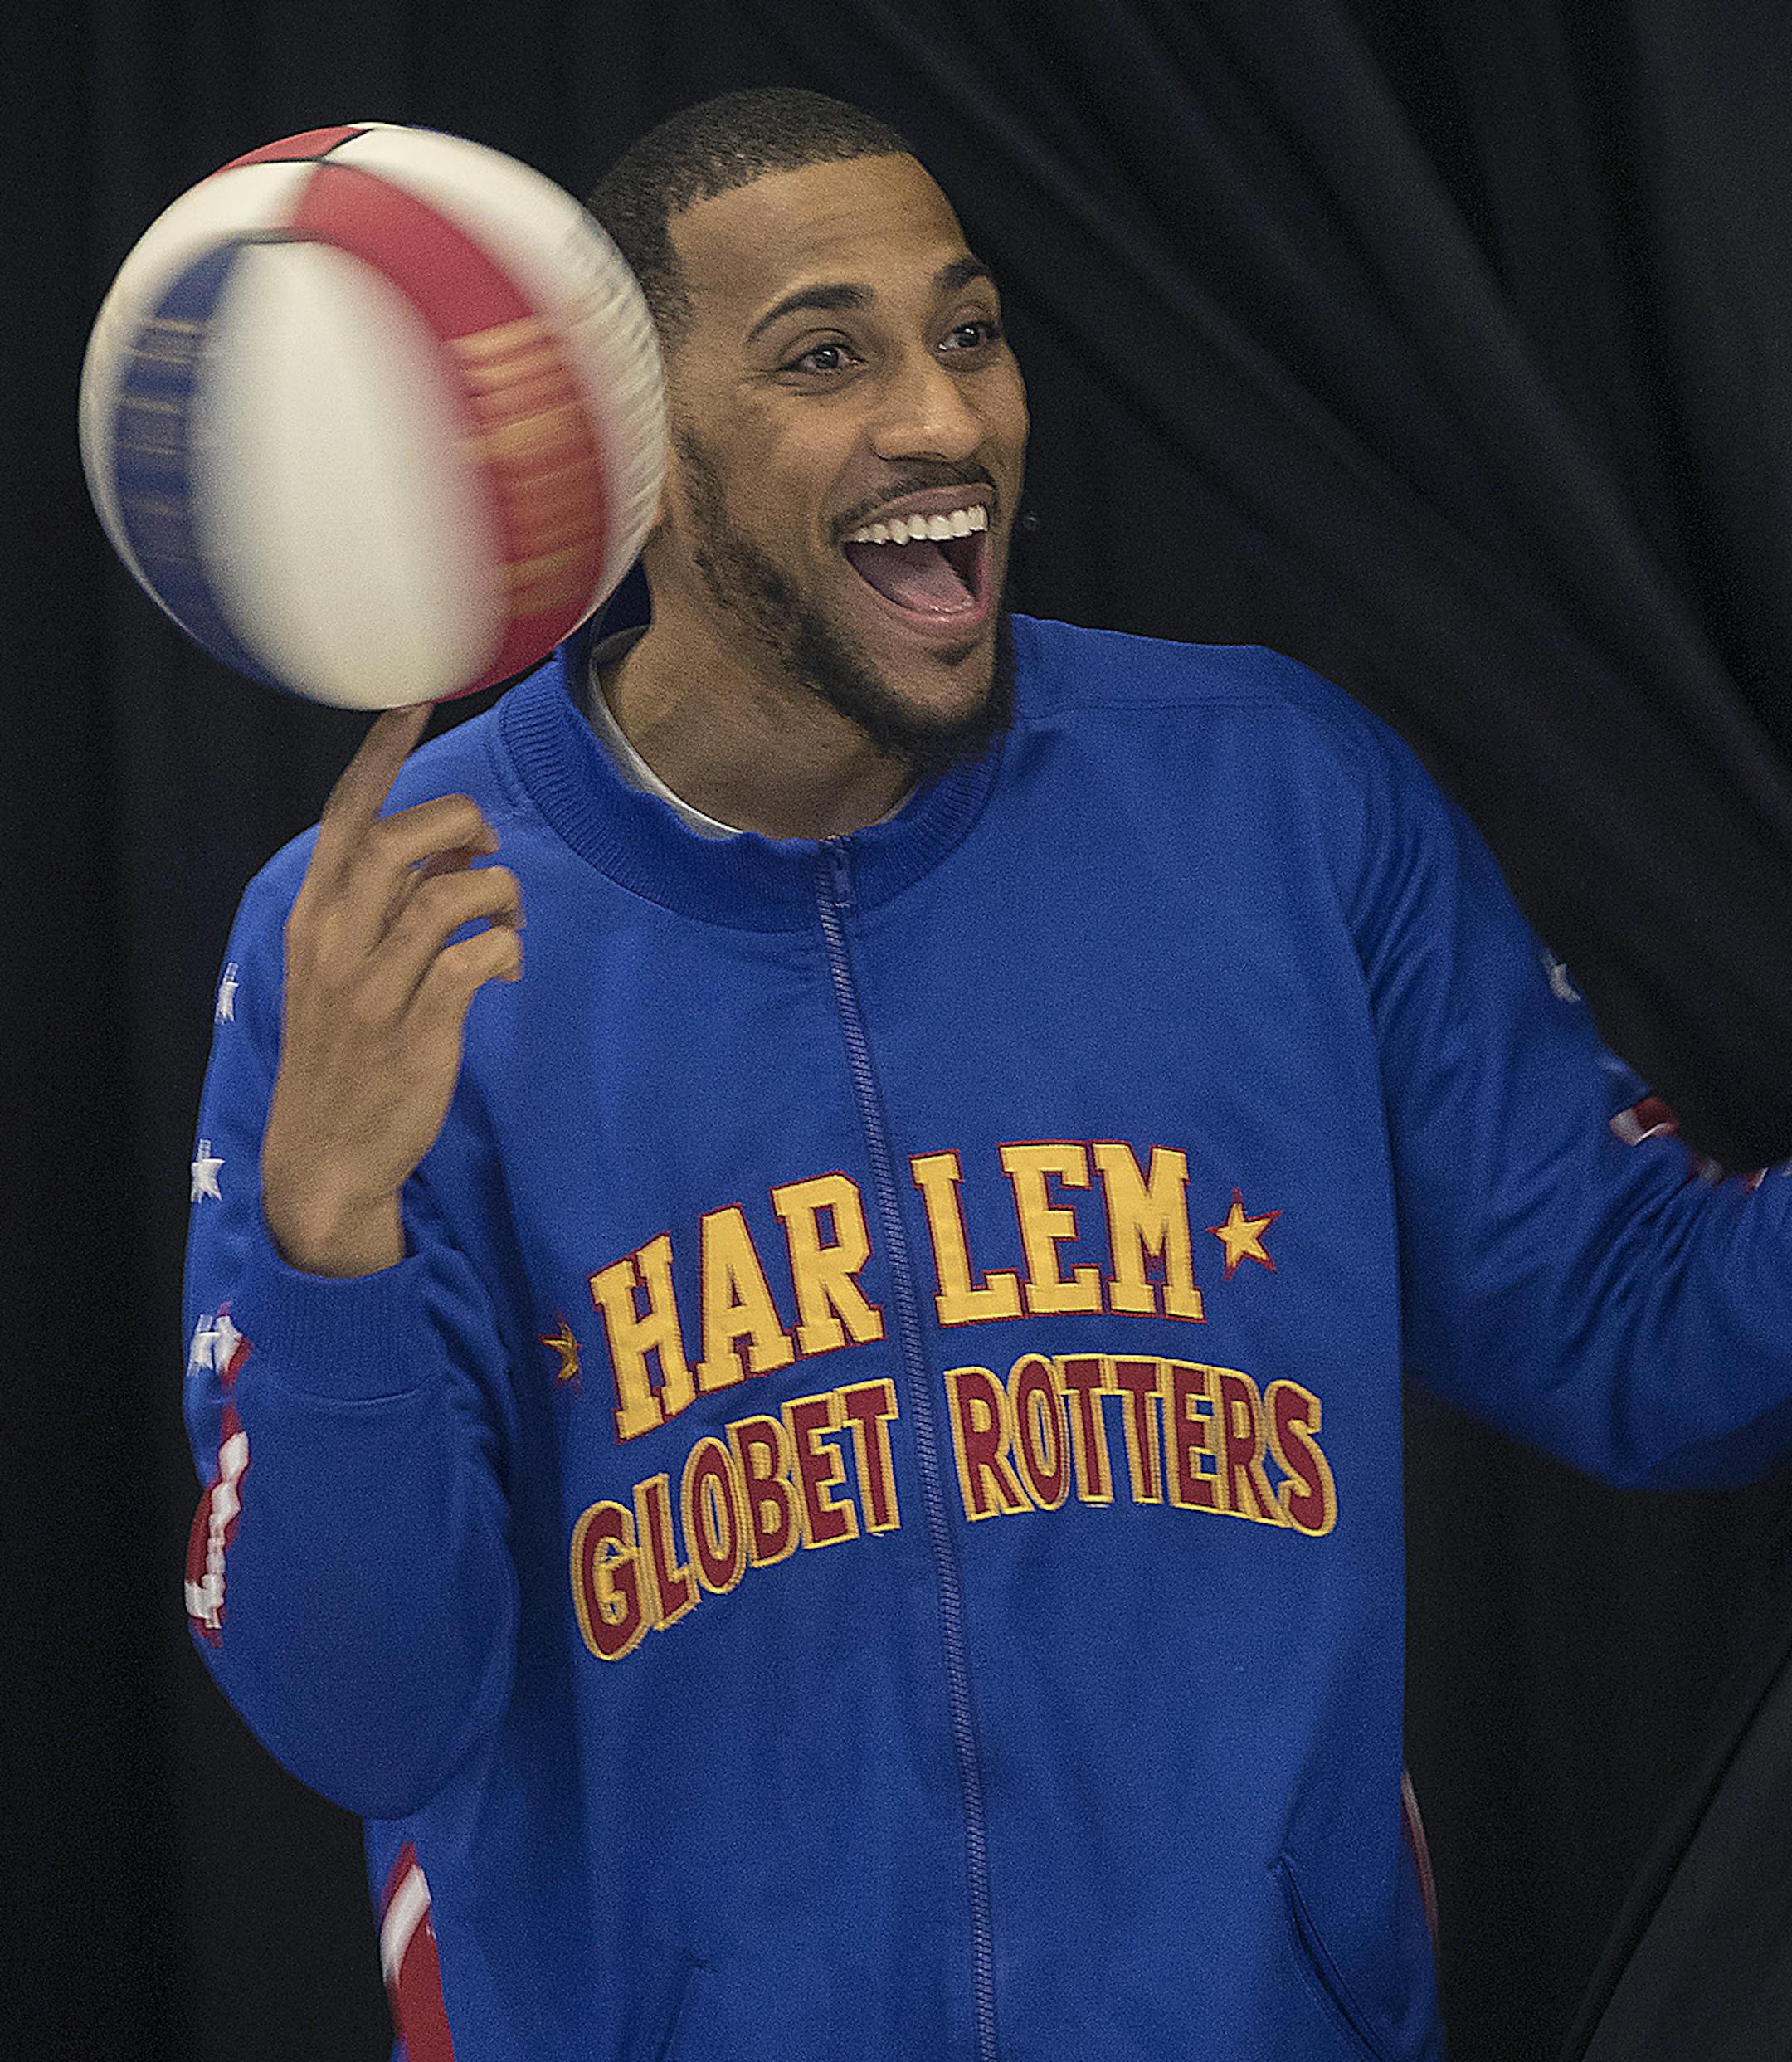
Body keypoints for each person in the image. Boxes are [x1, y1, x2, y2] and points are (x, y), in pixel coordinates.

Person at [182, 86, 1792, 2062]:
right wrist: (323, 1237)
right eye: (828, 355)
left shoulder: (1274, 796)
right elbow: (368, 1711)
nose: (945, 419)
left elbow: (1647, 1329)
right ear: (640, 453)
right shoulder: (384, 930)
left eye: (970, 331)